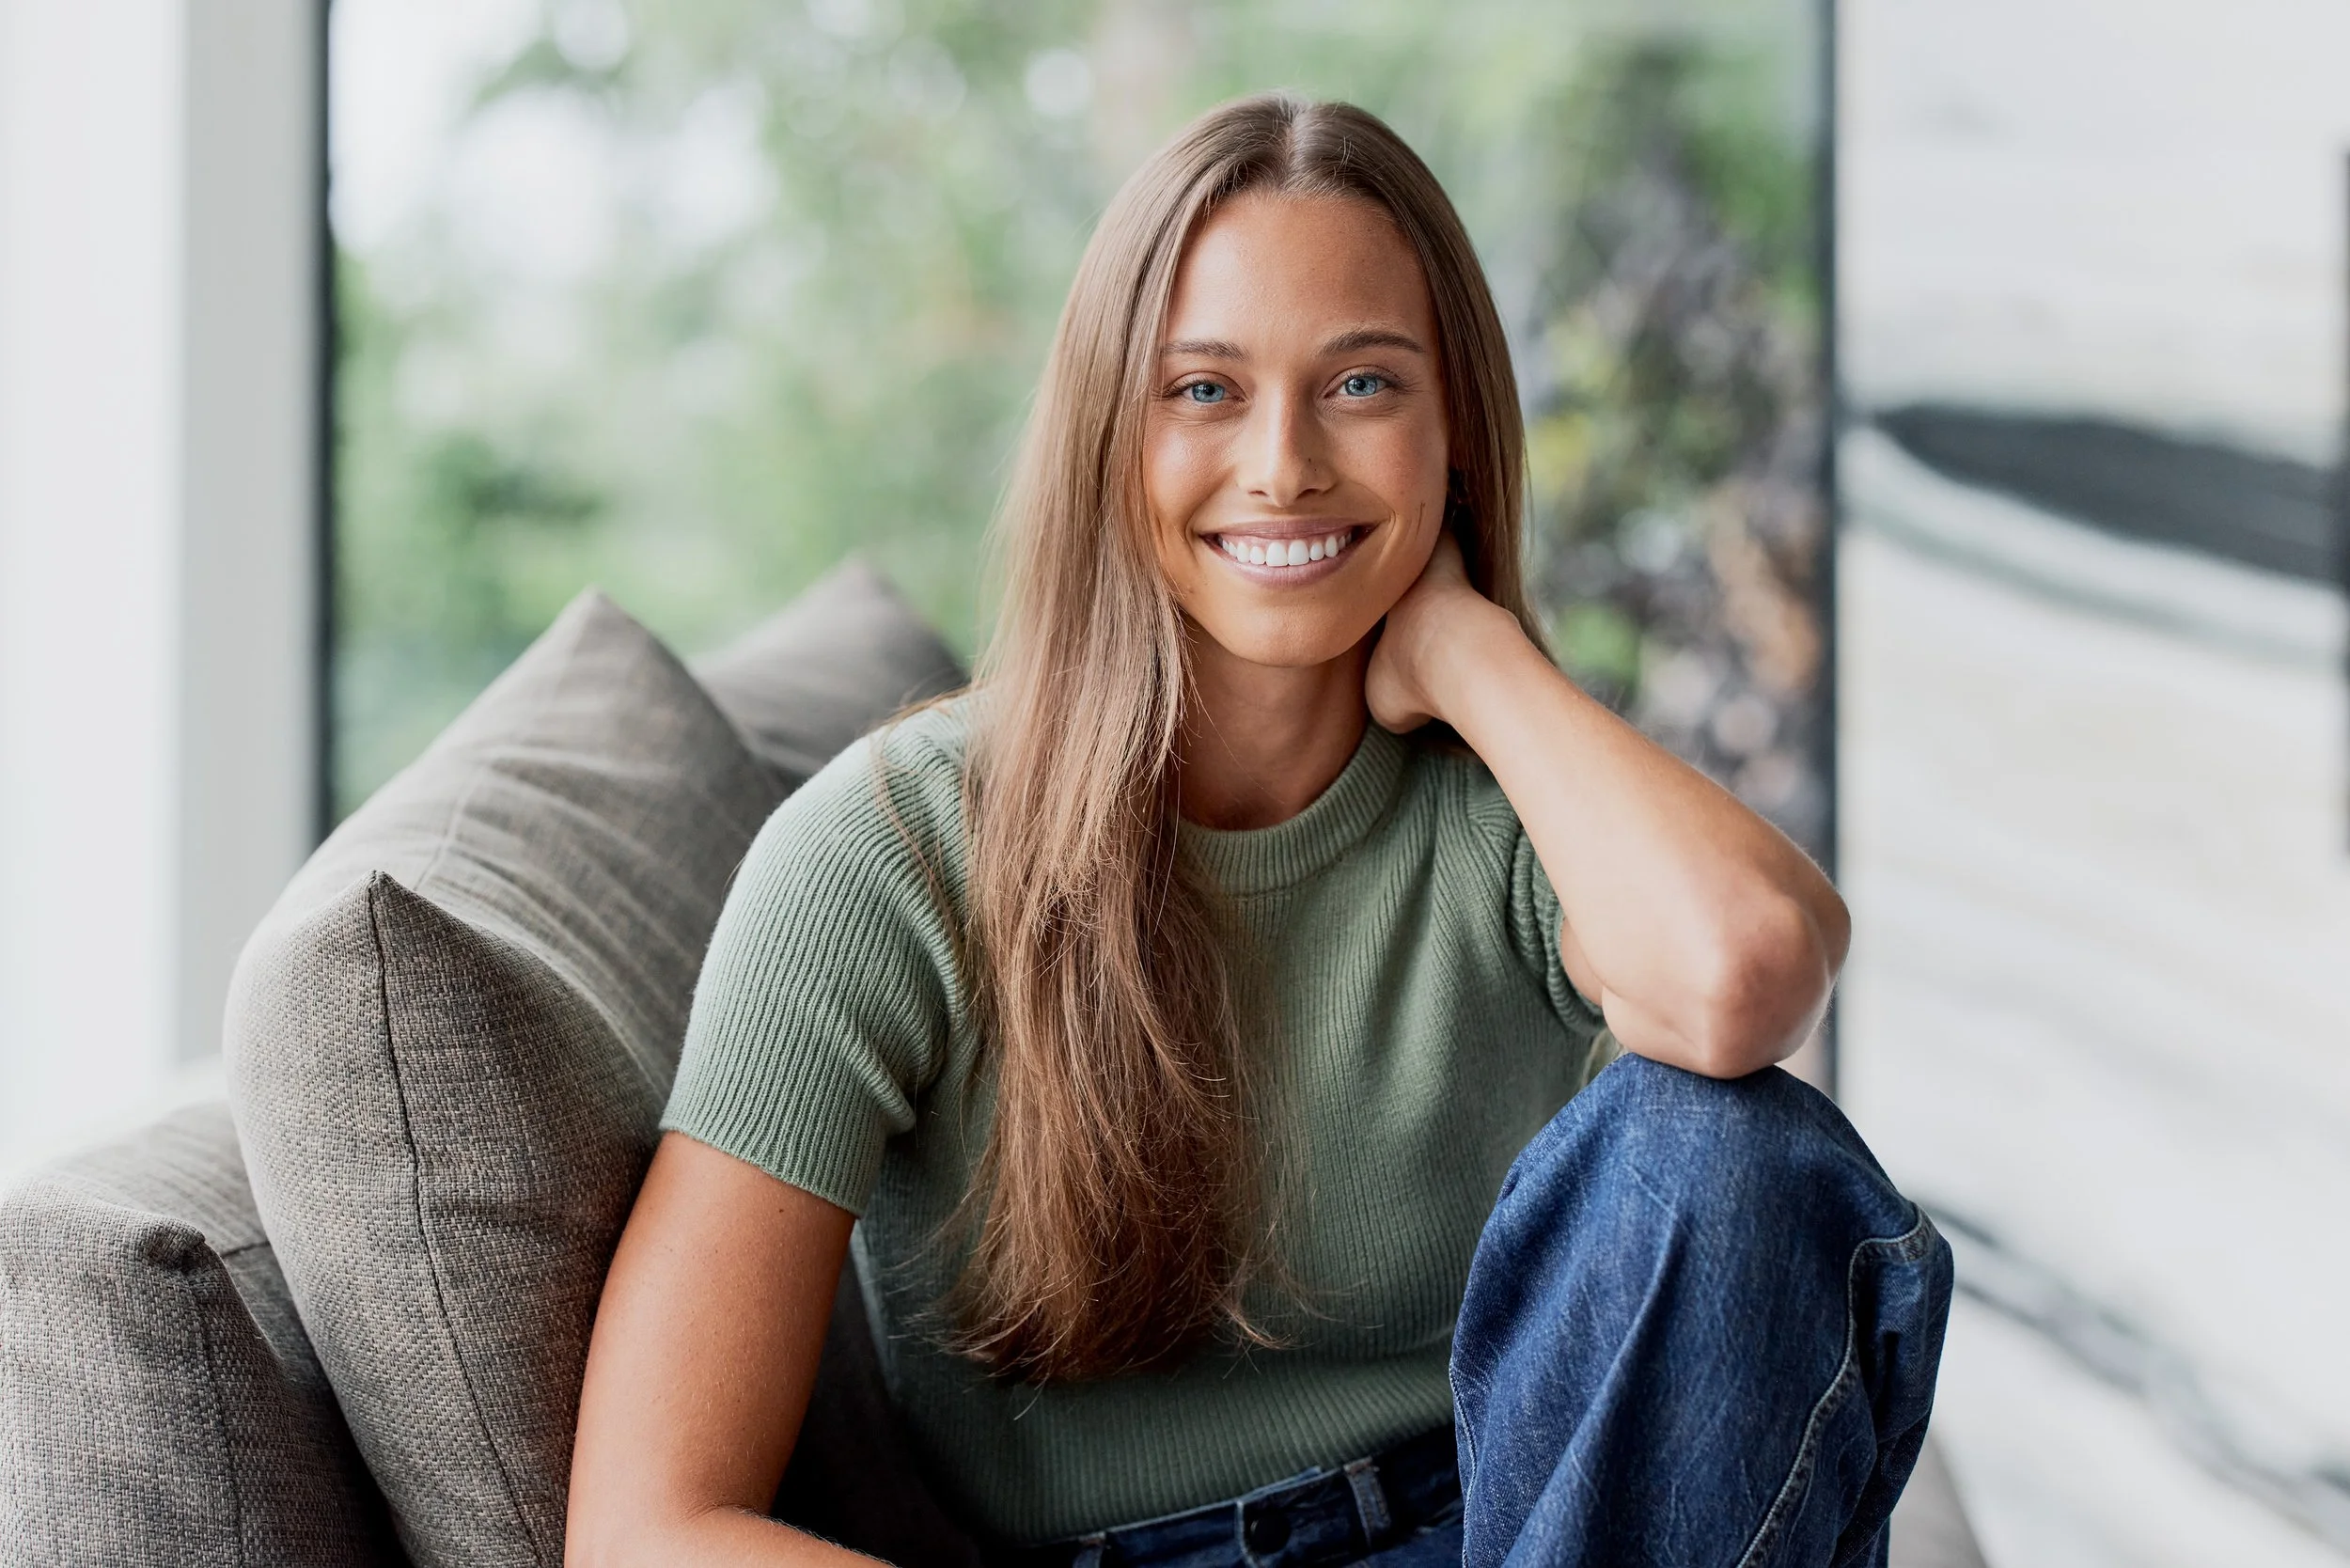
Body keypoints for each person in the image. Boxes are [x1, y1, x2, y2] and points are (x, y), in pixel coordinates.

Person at [566, 93, 1951, 1568]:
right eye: (1204, 389)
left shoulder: (1514, 816)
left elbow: (1746, 978)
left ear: (1455, 435)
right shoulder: (889, 858)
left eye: (1362, 384)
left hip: (1541, 1523)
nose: (1285, 463)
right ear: (1110, 432)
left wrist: (1471, 653)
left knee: (1727, 1150)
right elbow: (649, 1527)